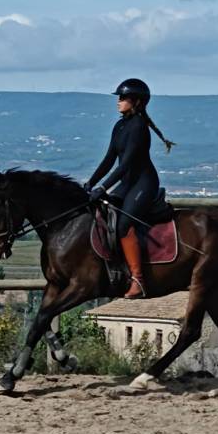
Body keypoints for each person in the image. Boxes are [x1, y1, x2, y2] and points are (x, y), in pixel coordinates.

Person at [84, 79, 175, 299]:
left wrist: (104, 186)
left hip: (144, 183)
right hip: (128, 183)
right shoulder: (120, 125)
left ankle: (137, 280)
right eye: (119, 97)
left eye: (123, 98)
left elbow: (125, 166)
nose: (118, 101)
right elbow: (109, 159)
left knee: (124, 224)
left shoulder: (139, 127)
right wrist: (90, 183)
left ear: (136, 102)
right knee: (105, 214)